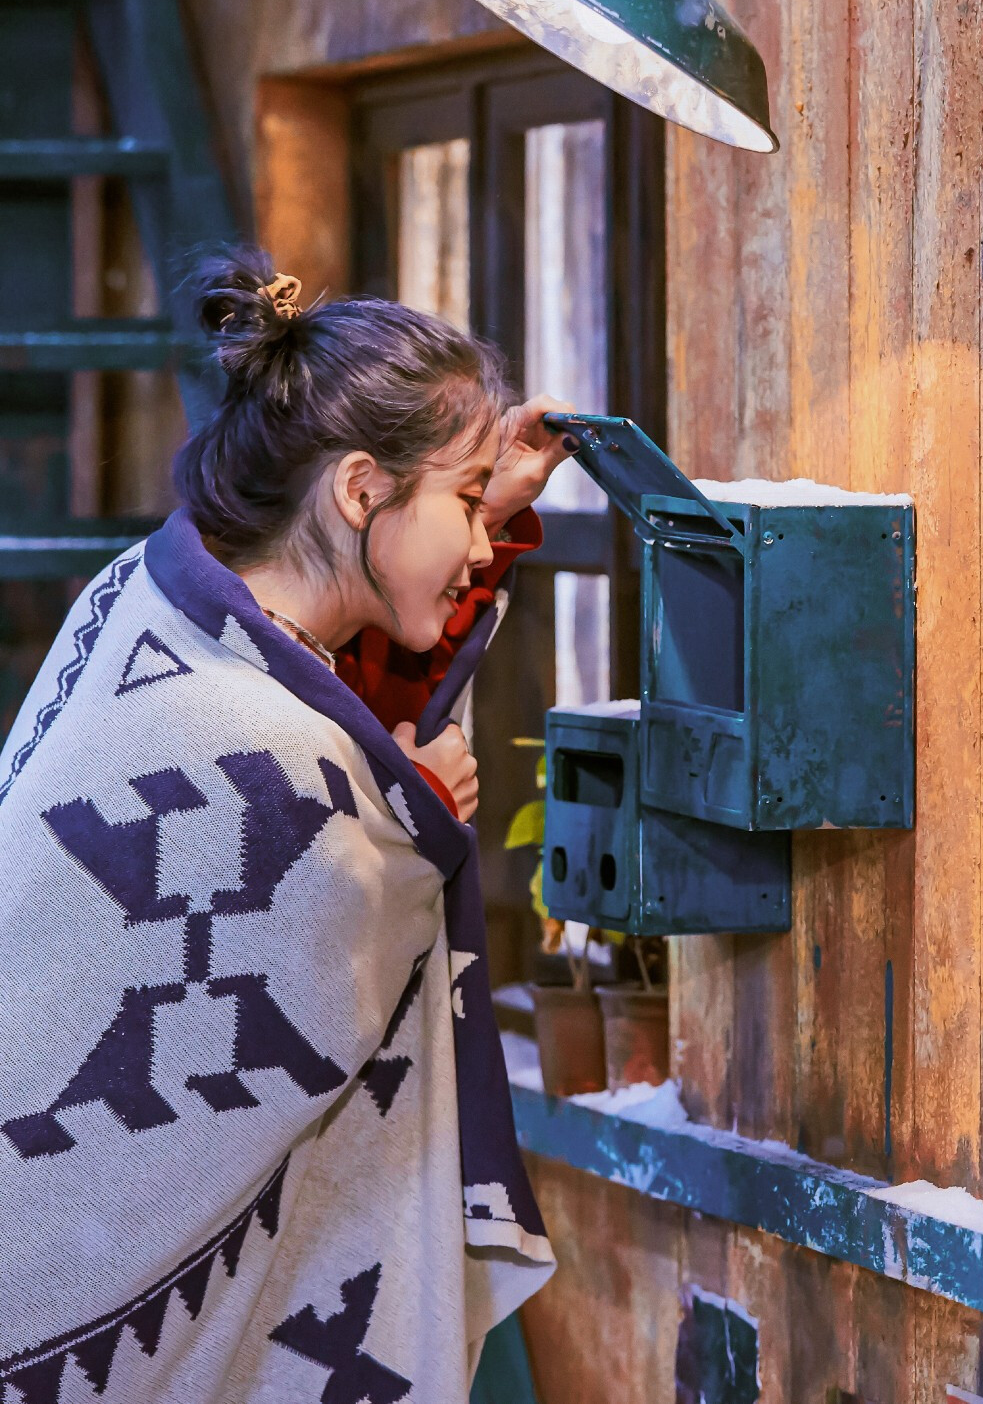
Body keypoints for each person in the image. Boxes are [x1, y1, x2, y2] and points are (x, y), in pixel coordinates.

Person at [0, 247, 572, 1404]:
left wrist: (386, 802)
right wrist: (398, 826)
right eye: (463, 500)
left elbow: (329, 703)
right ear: (359, 487)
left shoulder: (150, 599)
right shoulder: (251, 746)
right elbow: (312, 848)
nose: (476, 541)